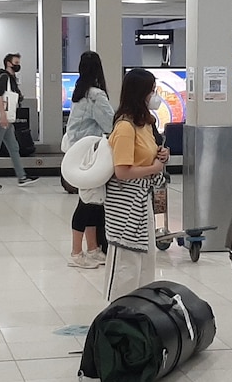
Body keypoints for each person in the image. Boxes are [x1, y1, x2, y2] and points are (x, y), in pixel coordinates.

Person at [103, 68, 168, 302]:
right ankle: (119, 314)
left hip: (143, 203)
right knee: (126, 264)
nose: (154, 95)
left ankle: (141, 309)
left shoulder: (145, 124)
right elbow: (121, 171)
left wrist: (161, 156)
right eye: (151, 91)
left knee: (144, 261)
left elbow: (147, 154)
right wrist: (153, 169)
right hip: (126, 206)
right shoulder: (125, 127)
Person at [63, 51, 115, 269]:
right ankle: (76, 252)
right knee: (87, 203)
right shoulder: (96, 95)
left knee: (93, 202)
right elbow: (110, 124)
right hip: (89, 156)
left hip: (76, 153)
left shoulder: (80, 92)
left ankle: (92, 249)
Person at [0, 53, 39, 190]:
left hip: (6, 120)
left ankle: (22, 176)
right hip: (1, 120)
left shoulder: (11, 79)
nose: (18, 64)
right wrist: (2, 115)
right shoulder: (4, 78)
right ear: (8, 63)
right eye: (16, 62)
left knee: (14, 148)